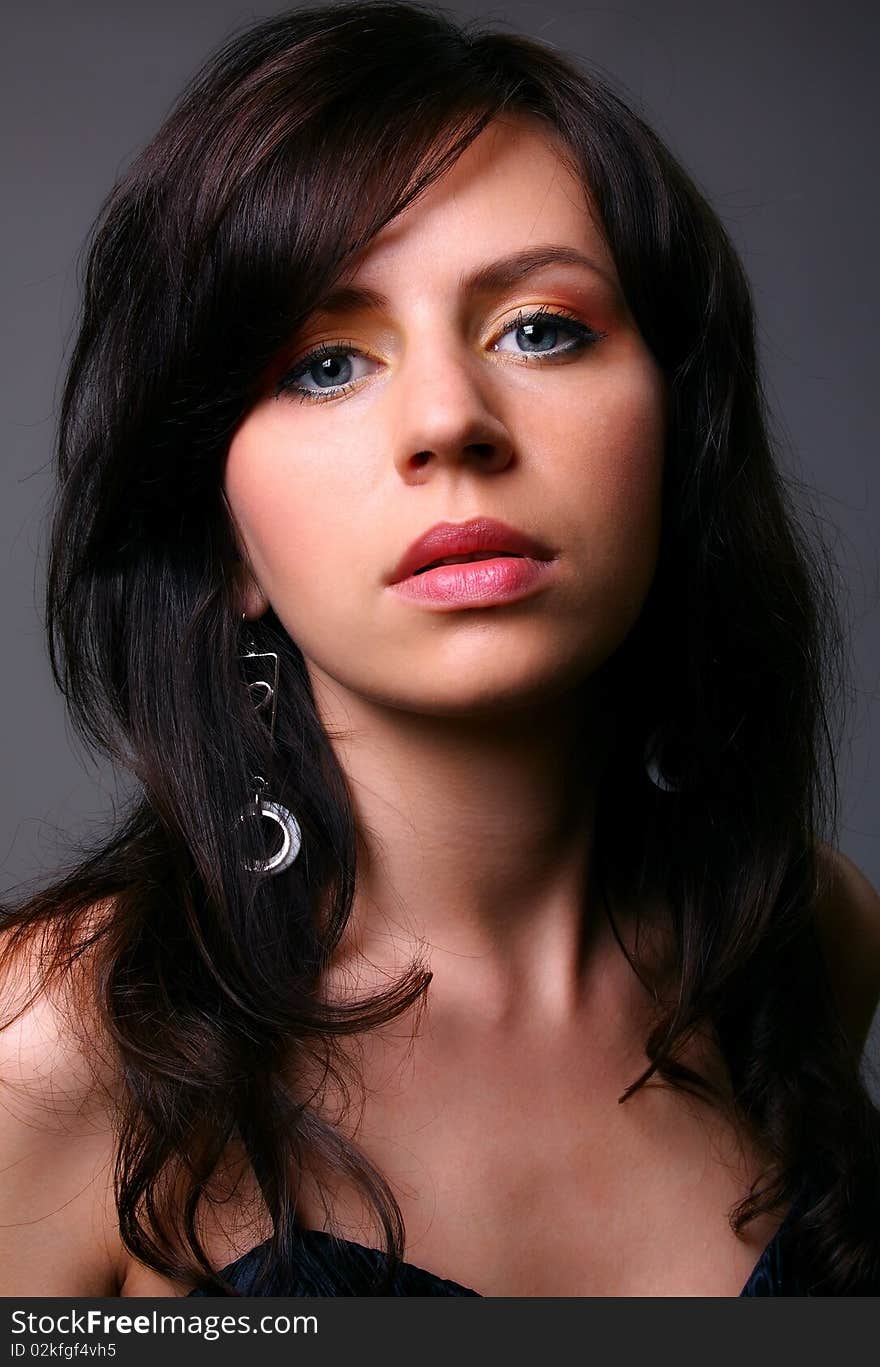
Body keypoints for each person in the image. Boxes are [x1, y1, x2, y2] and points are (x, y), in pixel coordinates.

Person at [1, 0, 879, 1298]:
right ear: (224, 536)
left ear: (677, 438)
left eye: (541, 328)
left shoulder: (807, 936)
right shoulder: (46, 1054)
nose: (449, 421)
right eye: (323, 363)